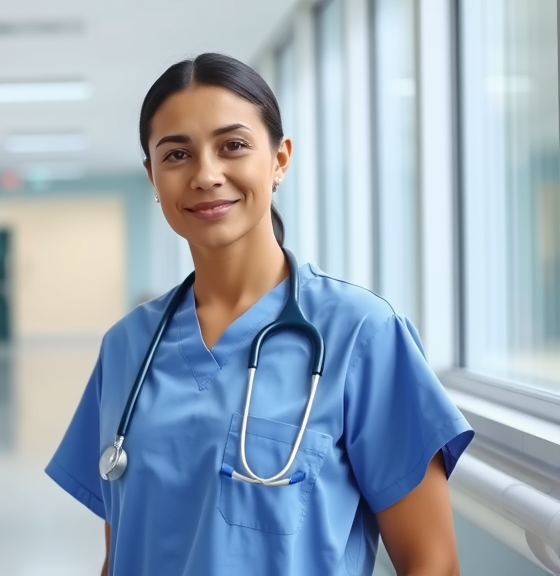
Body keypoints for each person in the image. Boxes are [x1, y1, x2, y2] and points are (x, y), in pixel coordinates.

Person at [44, 53, 474, 576]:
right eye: (176, 154)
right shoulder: (127, 346)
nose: (206, 175)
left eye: (233, 146)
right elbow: (120, 551)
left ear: (279, 160)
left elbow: (431, 562)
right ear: (152, 178)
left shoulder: (362, 333)